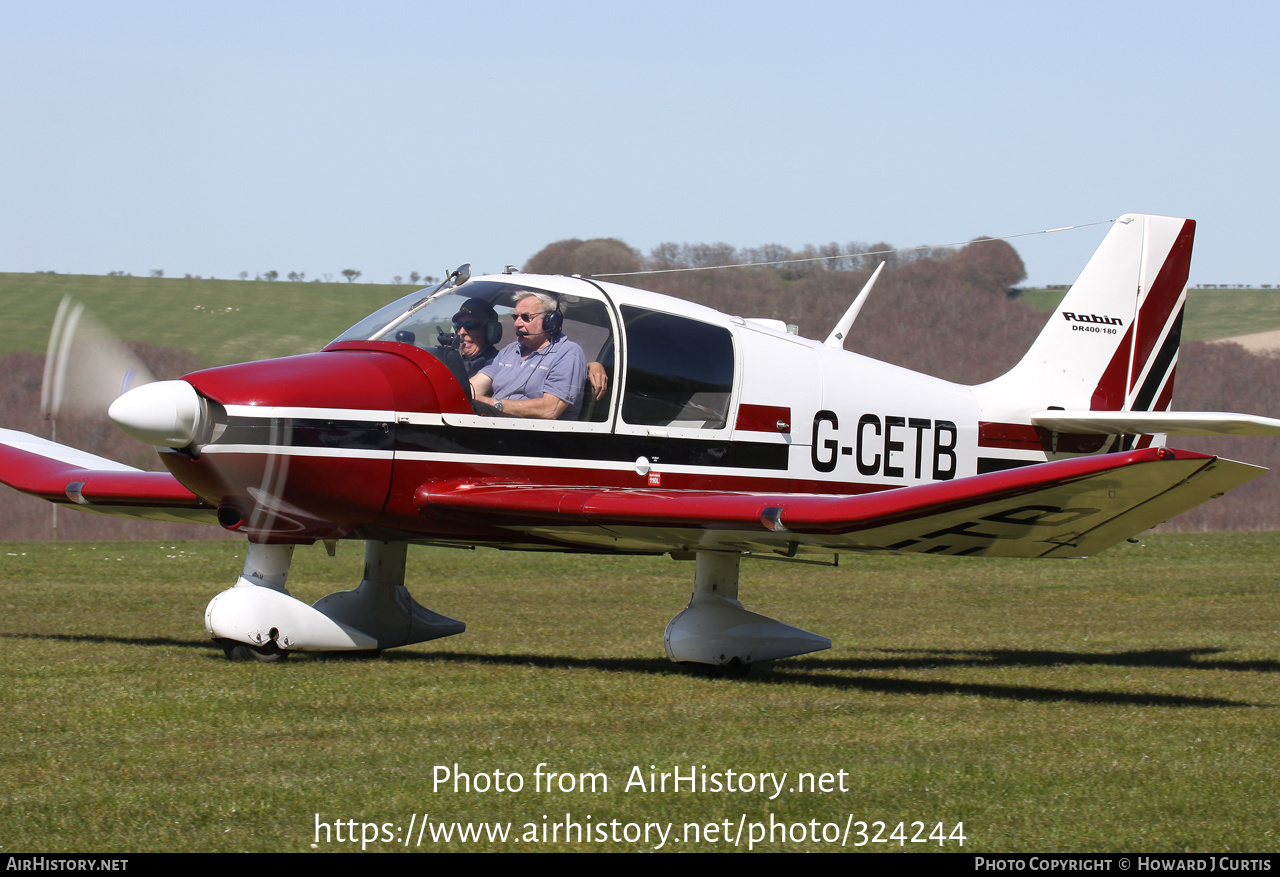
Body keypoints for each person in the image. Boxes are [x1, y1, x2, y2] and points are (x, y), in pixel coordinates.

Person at [471, 291, 587, 419]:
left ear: (550, 321)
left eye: (526, 317)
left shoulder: (568, 353)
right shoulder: (510, 350)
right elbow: (473, 387)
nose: (517, 324)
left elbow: (550, 409)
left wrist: (491, 403)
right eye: (516, 317)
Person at [451, 298, 501, 377]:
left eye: (471, 325)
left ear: (490, 330)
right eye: (458, 326)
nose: (461, 332)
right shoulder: (453, 362)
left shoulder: (498, 364)